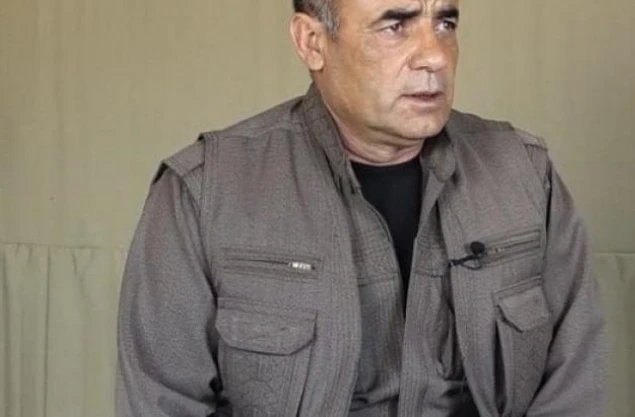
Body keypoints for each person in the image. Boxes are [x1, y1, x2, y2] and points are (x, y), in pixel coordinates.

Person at [116, 0, 607, 416]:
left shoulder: (525, 175)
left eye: (445, 23)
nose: (435, 56)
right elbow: (163, 401)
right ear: (312, 42)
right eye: (395, 25)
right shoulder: (204, 193)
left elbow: (574, 384)